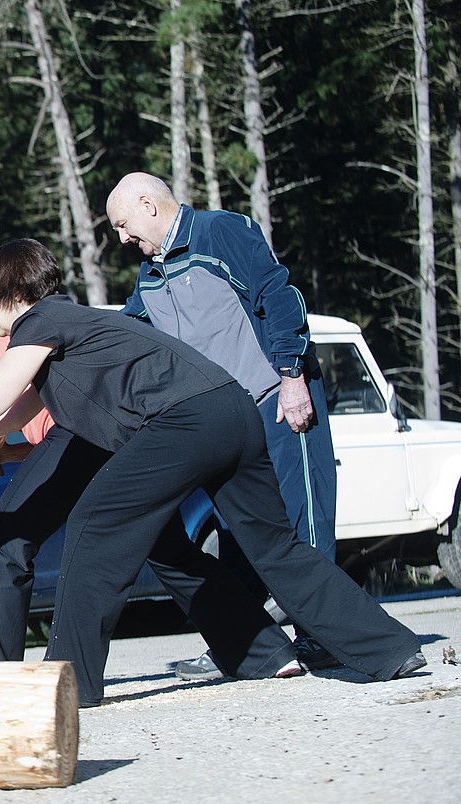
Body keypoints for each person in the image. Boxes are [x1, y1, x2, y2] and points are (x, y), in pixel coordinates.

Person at [0, 238, 424, 707]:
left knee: (95, 523)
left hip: (185, 422)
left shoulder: (42, 321)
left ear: (6, 295)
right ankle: (388, 648)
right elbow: (8, 414)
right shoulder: (68, 324)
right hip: (231, 411)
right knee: (275, 548)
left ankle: (67, 683)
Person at [0, 282, 301, 678]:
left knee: (7, 541)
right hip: (108, 431)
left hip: (72, 438)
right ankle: (267, 651)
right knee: (167, 550)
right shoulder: (45, 325)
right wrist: (10, 453)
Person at [106, 172, 342, 678]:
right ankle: (245, 642)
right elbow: (129, 336)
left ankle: (324, 635)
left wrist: (292, 375)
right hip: (226, 422)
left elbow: (278, 296)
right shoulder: (150, 274)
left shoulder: (220, 232)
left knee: (303, 521)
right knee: (239, 534)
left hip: (277, 397)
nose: (122, 239)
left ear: (149, 205)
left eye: (124, 225)